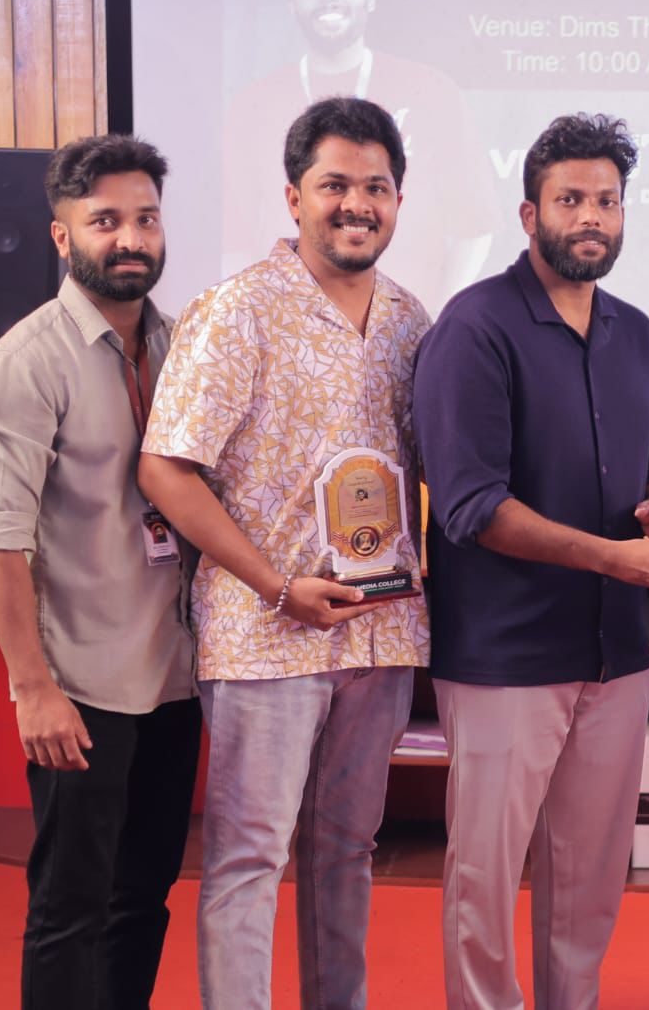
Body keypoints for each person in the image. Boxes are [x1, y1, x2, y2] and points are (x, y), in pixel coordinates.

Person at [413, 112, 649, 1010]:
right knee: (485, 877)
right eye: (570, 199)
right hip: (505, 652)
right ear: (529, 213)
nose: (591, 217)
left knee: (589, 881)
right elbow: (470, 506)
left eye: (607, 202)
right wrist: (614, 560)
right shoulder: (474, 328)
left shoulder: (641, 336)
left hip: (615, 652)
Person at [138, 97, 431, 1009]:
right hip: (266, 632)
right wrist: (275, 585)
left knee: (347, 850)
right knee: (249, 856)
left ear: (398, 199)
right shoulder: (238, 310)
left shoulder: (411, 320)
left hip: (380, 632)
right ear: (294, 196)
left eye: (375, 187)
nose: (357, 204)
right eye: (334, 184)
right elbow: (165, 468)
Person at [0, 134, 199, 1009]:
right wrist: (33, 689)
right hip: (82, 689)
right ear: (62, 236)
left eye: (146, 219)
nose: (130, 239)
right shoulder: (27, 362)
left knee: (142, 898)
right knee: (70, 907)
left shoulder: (179, 345)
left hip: (173, 680)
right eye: (105, 222)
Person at [222, 0, 495, 311]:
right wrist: (253, 312)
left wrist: (438, 319)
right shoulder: (253, 104)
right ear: (292, 2)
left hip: (407, 330)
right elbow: (234, 238)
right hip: (281, 319)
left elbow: (475, 226)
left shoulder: (431, 89)